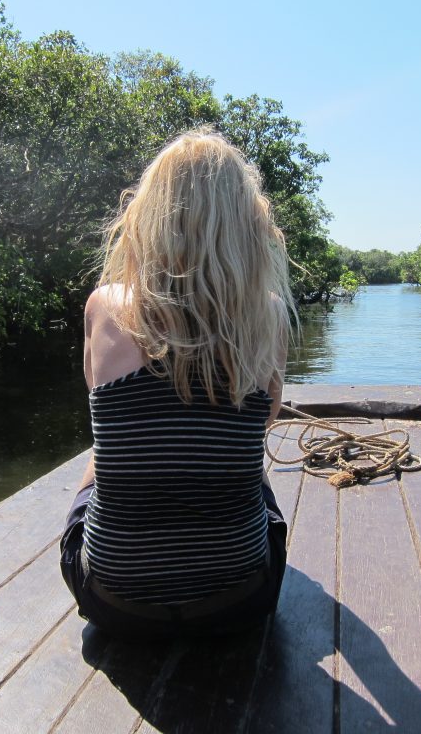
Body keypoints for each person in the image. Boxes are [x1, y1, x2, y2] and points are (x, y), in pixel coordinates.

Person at [59, 127, 297, 638]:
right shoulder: (268, 316)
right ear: (246, 224)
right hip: (241, 600)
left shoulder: (103, 306)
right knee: (250, 465)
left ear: (148, 216)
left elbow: (98, 402)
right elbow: (266, 418)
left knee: (101, 453)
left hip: (113, 600)